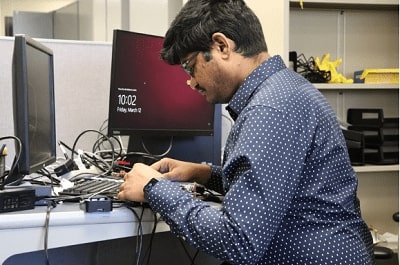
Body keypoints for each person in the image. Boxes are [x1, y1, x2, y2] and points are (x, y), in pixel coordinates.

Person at [117, 0, 374, 264]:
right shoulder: (285, 89)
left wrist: (153, 188)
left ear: (221, 46)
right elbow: (275, 184)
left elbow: (237, 241)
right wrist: (203, 174)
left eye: (190, 66)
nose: (191, 81)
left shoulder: (269, 110)